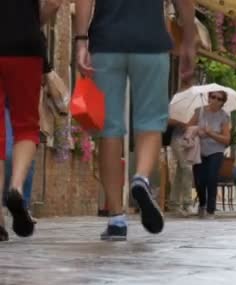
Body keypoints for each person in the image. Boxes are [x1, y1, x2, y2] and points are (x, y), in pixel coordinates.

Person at [75, 0, 196, 241]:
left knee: (109, 130)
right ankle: (140, 178)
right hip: (151, 44)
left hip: (106, 44)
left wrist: (80, 41)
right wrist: (189, 41)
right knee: (150, 123)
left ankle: (116, 219)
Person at [0, 0, 63, 241]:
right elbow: (54, 3)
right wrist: (32, 21)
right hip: (25, 46)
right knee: (26, 126)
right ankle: (16, 188)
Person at [192, 91, 231, 219]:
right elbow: (188, 127)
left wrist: (211, 134)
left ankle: (210, 210)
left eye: (219, 99)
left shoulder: (224, 116)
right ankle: (202, 204)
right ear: (208, 98)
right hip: (199, 151)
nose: (215, 100)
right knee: (199, 180)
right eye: (213, 97)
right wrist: (197, 131)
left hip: (216, 151)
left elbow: (226, 140)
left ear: (222, 103)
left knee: (212, 178)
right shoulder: (199, 111)